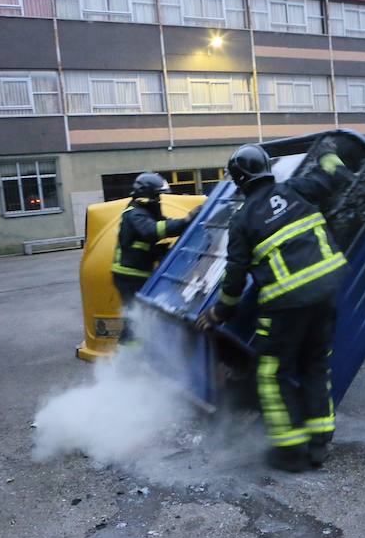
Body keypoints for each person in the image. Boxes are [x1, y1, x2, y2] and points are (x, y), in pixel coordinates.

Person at [196, 140, 350, 473]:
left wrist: (217, 314)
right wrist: (327, 151)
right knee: (315, 364)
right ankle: (320, 443)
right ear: (266, 169)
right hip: (326, 289)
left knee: (271, 374)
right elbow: (338, 176)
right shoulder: (297, 189)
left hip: (287, 301)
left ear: (239, 181)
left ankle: (290, 452)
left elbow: (234, 279)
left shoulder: (242, 220)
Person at [112, 172, 198, 343]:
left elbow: (163, 224)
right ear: (148, 194)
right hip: (129, 276)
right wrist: (186, 220)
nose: (159, 199)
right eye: (157, 195)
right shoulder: (135, 214)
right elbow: (153, 230)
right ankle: (129, 359)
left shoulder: (144, 211)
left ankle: (139, 352)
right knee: (135, 321)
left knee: (141, 318)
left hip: (136, 272)